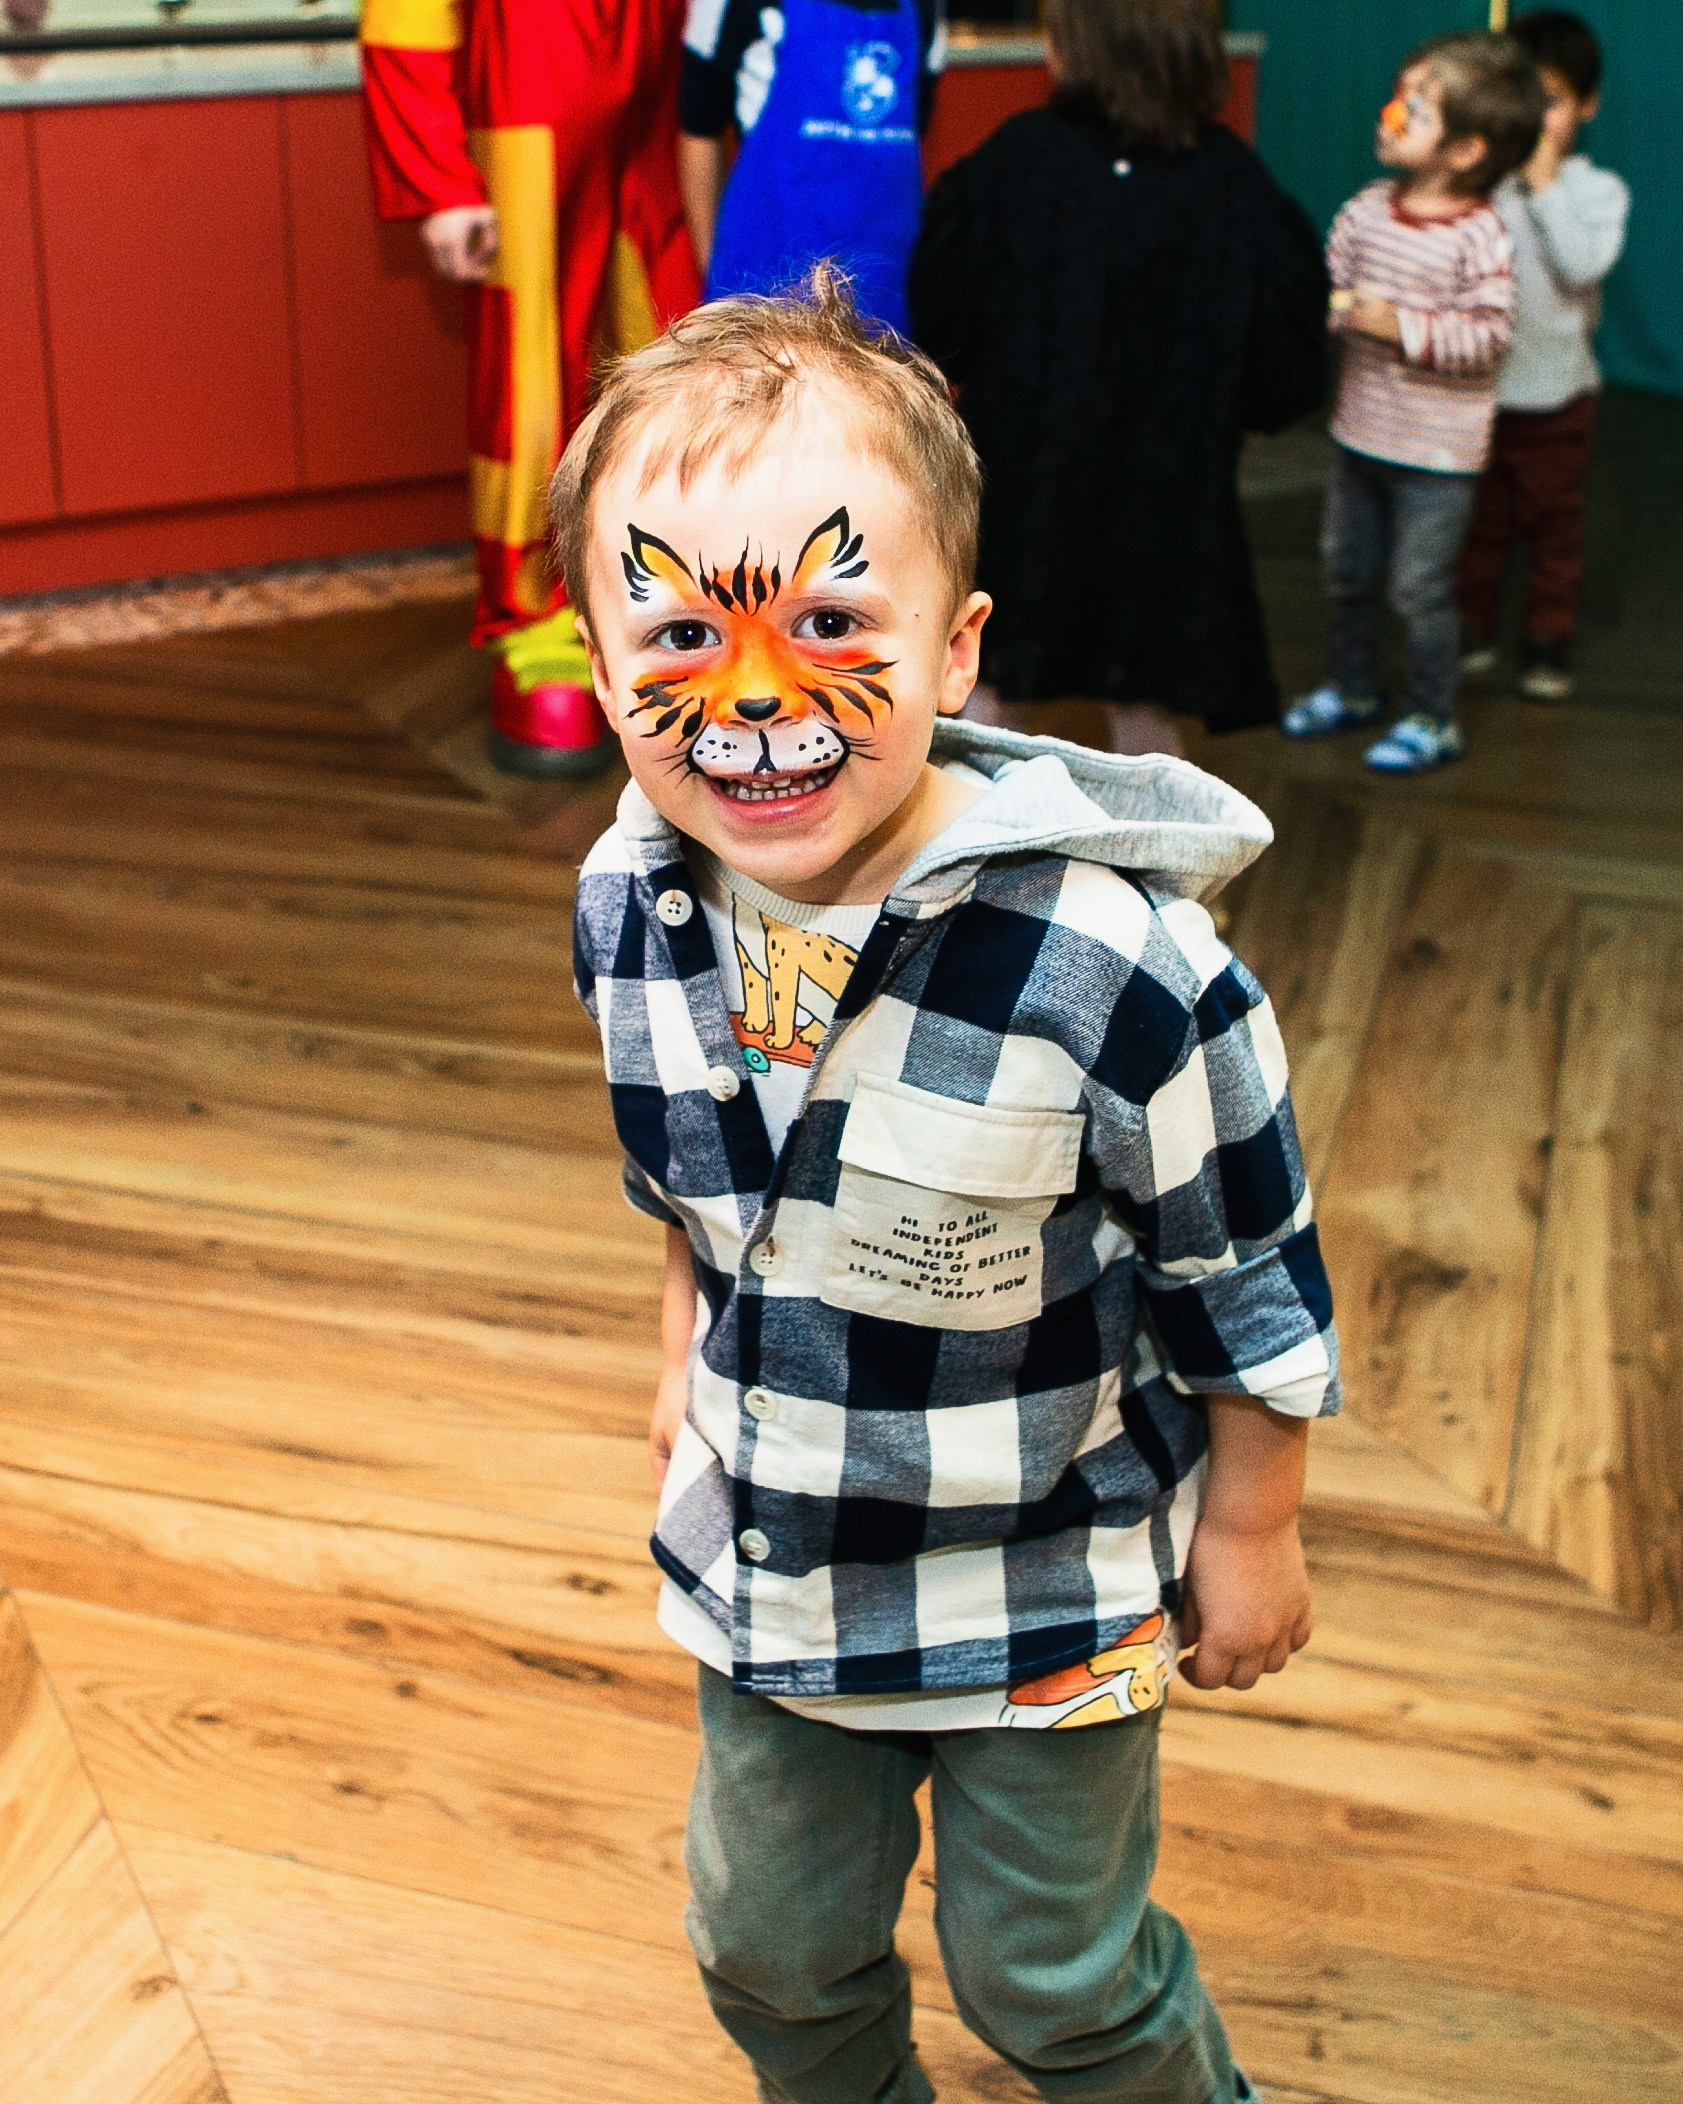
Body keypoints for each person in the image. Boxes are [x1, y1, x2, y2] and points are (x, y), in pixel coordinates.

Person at [560, 273, 1340, 2104]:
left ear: (956, 645)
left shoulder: (1118, 965)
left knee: (1050, 1978)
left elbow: (1248, 1263)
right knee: (764, 1945)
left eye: (833, 616)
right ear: (595, 663)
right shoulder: (628, 907)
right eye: (672, 636)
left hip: (1050, 1581)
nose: (751, 699)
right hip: (776, 1579)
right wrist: (685, 1344)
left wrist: (1252, 1523)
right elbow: (680, 1180)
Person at [908, 0, 1328, 757]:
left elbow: (944, 325)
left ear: (1074, 46)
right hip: (1168, 500)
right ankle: (1151, 874)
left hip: (1024, 483)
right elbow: (1285, 374)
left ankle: (975, 859)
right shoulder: (1234, 185)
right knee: (1148, 708)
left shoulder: (1013, 162)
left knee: (990, 688)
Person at [359, 0, 700, 778]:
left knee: (673, 345)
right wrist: (440, 178)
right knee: (530, 367)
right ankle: (534, 614)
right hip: (529, 86)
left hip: (664, 89)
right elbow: (402, 20)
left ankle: (669, 584)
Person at [1282, 33, 1545, 775]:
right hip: (1358, 433)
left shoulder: (1480, 234)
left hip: (1437, 454)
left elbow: (1490, 337)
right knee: (1346, 570)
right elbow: (1324, 289)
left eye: (1416, 109)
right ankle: (1353, 687)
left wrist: (1398, 326)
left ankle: (1434, 718)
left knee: (1417, 589)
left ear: (1465, 150)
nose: (1390, 115)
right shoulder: (1366, 210)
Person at [1458, 9, 1629, 703]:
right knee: (1480, 521)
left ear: (1585, 107)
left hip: (1560, 398)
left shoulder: (1594, 192)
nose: (1534, 116)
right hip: (1481, 395)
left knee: (1555, 530)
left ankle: (1547, 637)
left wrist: (1545, 186)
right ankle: (1470, 626)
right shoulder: (1479, 187)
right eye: (1521, 97)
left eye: (1550, 102)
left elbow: (1581, 267)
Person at [678, 0, 944, 335]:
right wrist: (714, 273)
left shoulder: (926, 8)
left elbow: (914, 137)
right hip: (763, 291)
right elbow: (699, 128)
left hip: (887, 292)